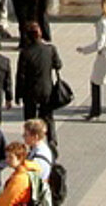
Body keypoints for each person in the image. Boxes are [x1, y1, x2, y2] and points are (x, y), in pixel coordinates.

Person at [14, 21, 62, 151]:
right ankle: (52, 139)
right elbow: (58, 65)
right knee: (48, 116)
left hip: (30, 90)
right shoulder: (50, 49)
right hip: (47, 88)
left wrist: (17, 94)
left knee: (30, 117)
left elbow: (21, 75)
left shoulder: (25, 52)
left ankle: (32, 141)